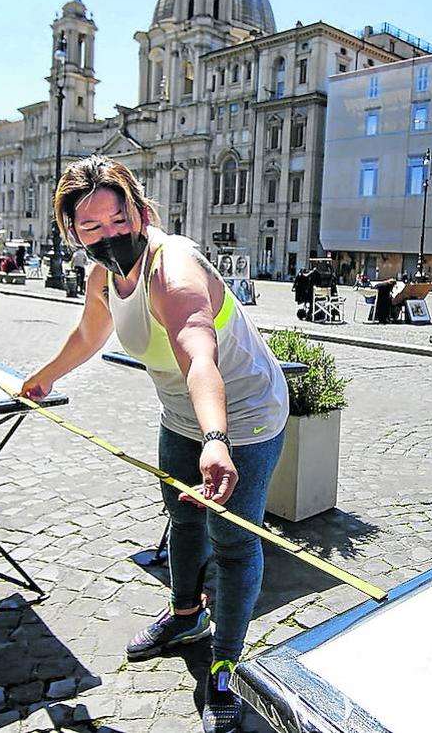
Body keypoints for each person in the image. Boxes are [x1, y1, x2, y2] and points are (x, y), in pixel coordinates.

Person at [21, 156, 288, 732]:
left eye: (119, 221)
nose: (109, 236)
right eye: (91, 228)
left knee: (235, 543)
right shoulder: (101, 276)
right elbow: (91, 332)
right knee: (182, 520)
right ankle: (186, 617)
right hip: (180, 414)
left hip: (241, 414)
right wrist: (46, 376)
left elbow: (198, 355)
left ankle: (225, 664)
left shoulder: (175, 268)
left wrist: (217, 440)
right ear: (72, 232)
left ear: (141, 212)